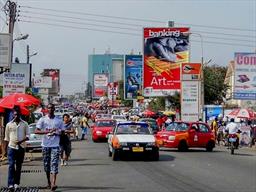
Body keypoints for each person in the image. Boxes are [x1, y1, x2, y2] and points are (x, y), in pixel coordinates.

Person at [35, 103, 65, 191]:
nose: (50, 109)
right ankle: (48, 182)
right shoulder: (43, 119)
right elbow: (36, 131)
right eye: (49, 108)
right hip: (45, 145)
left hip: (55, 145)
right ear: (47, 109)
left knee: (54, 164)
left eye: (52, 108)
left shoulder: (59, 120)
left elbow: (63, 132)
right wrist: (46, 132)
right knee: (46, 165)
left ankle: (53, 183)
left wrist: (58, 132)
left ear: (54, 109)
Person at [4, 106, 29, 191]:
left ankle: (16, 183)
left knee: (18, 166)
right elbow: (6, 138)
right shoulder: (9, 124)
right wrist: (5, 151)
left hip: (21, 147)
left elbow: (28, 136)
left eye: (17, 114)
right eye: (14, 114)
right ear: (13, 115)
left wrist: (21, 141)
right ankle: (10, 184)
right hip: (11, 147)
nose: (16, 116)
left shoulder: (25, 124)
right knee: (11, 166)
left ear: (20, 114)